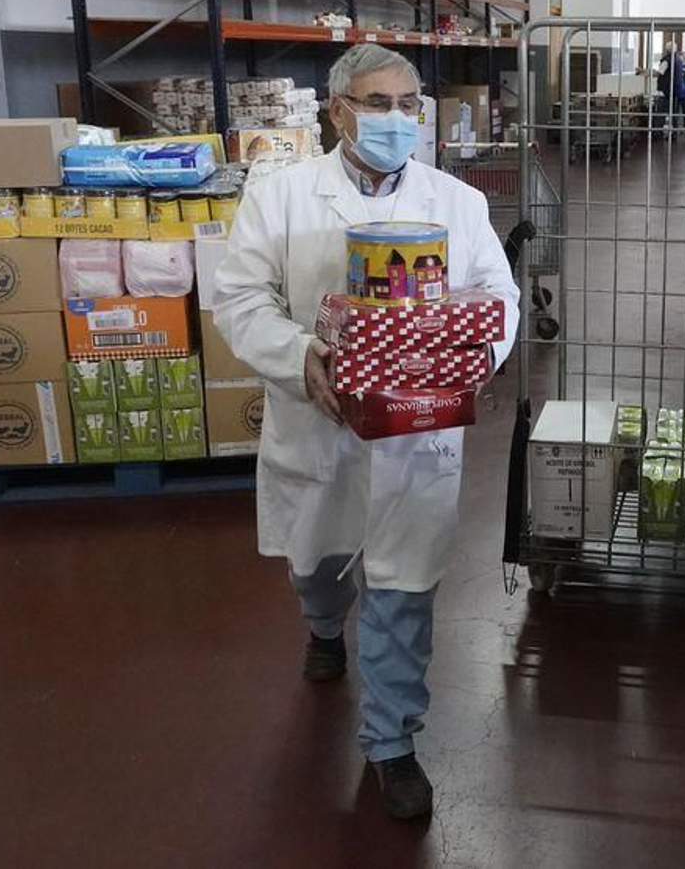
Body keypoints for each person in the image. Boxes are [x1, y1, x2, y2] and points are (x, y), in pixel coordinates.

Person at [212, 44, 520, 821]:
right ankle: (323, 626)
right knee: (317, 564)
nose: (395, 119)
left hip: (418, 434)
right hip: (320, 422)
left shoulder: (457, 202)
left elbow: (498, 296)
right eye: (377, 103)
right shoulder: (280, 197)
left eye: (408, 105)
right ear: (337, 110)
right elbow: (241, 299)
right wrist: (299, 355)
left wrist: (475, 356)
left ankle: (391, 742)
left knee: (403, 587)